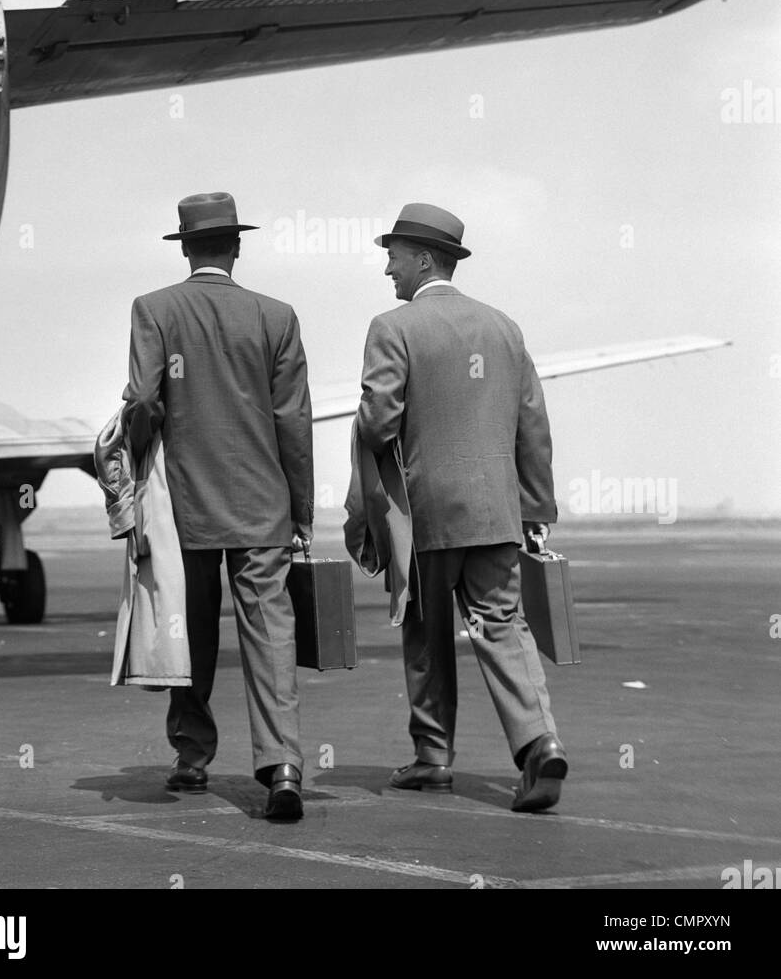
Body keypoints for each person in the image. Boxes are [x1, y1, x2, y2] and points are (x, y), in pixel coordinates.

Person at [355, 202, 568, 811]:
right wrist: (535, 509)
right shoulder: (505, 328)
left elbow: (377, 423)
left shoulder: (392, 327)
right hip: (496, 512)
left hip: (427, 515)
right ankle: (539, 743)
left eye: (392, 257)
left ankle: (432, 758)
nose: (387, 270)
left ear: (423, 259)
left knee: (426, 632)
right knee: (503, 626)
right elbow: (534, 426)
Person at [122, 192, 314, 821]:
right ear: (237, 245)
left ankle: (192, 757)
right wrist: (301, 511)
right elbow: (294, 422)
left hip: (186, 508)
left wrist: (145, 461)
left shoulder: (154, 310)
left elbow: (143, 404)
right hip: (263, 508)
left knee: (191, 635)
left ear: (184, 247)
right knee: (270, 638)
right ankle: (282, 764)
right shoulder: (277, 316)